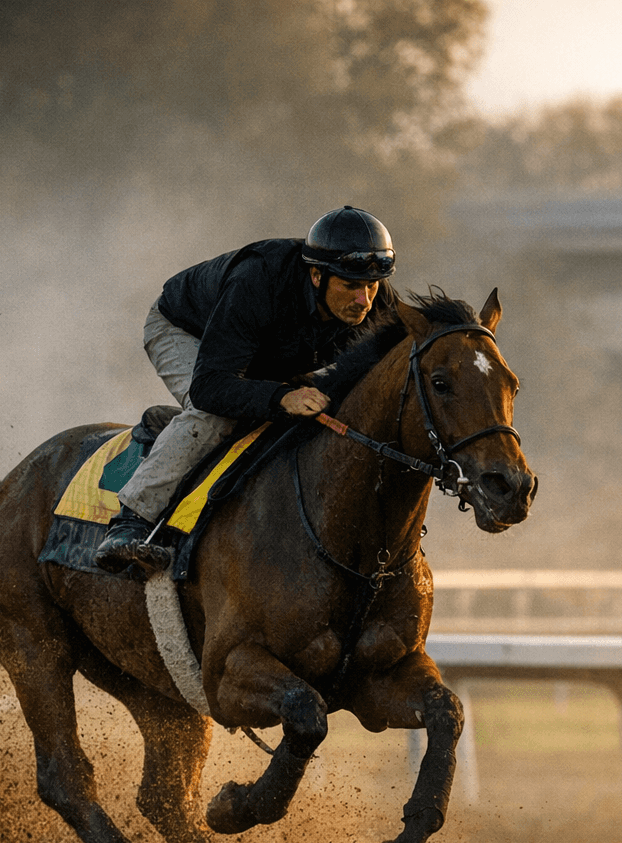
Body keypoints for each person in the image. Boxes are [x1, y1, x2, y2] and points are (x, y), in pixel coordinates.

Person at [94, 206, 396, 575]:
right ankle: (131, 522)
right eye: (350, 286)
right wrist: (281, 397)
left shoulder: (374, 297)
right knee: (215, 414)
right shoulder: (258, 279)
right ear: (317, 276)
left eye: (371, 286)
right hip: (187, 332)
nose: (364, 300)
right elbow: (210, 387)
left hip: (261, 352)